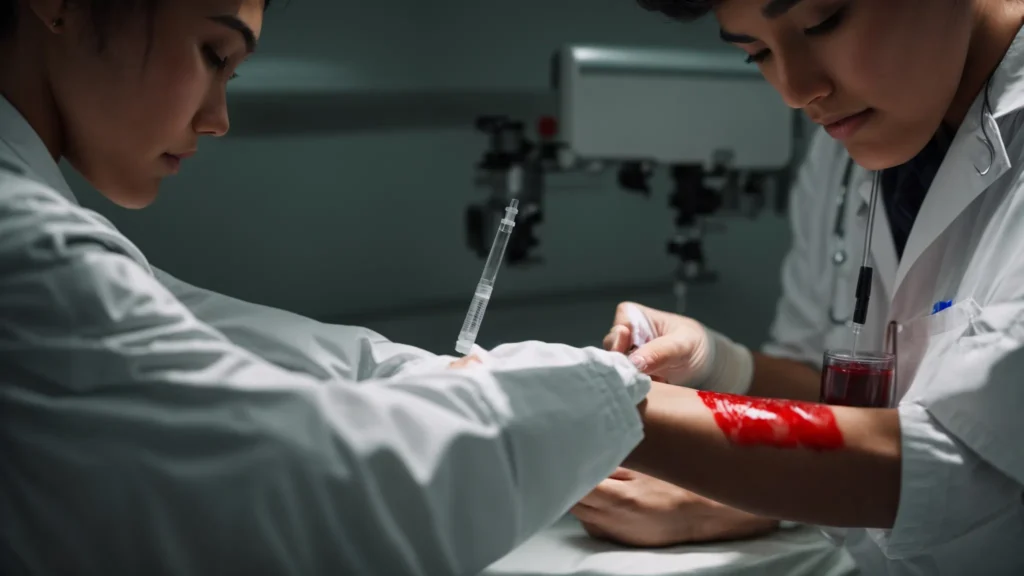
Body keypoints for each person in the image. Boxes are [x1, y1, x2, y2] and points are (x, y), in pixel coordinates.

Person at [0, 1, 653, 574]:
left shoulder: (43, 225)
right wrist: (621, 398)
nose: (218, 118)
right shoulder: (26, 243)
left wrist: (454, 377)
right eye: (212, 52)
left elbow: (222, 338)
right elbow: (319, 484)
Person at [573, 0, 1024, 572]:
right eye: (756, 53)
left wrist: (590, 406)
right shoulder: (848, 140)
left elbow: (961, 466)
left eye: (825, 22)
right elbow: (841, 397)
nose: (795, 89)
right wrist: (726, 368)